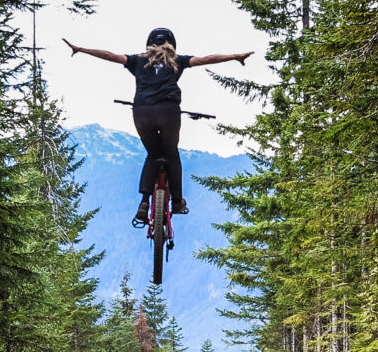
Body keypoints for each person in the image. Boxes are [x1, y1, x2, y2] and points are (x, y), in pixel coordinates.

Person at [63, 28, 252, 222]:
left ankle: (144, 203)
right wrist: (235, 56)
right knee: (171, 154)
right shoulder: (178, 60)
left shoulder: (136, 60)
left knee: (153, 154)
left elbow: (109, 55)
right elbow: (206, 59)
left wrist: (81, 49)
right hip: (168, 112)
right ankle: (177, 201)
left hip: (142, 112)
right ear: (172, 44)